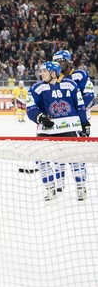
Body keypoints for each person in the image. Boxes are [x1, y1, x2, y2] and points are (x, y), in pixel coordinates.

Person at [26, 61, 89, 201]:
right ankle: (50, 188)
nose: (41, 73)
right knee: (42, 159)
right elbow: (30, 108)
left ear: (53, 73)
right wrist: (40, 117)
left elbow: (80, 105)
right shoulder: (37, 88)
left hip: (70, 127)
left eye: (45, 71)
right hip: (47, 130)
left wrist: (84, 123)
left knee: (76, 158)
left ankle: (81, 187)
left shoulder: (71, 85)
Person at [52, 50, 94, 195]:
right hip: (61, 122)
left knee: (77, 154)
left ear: (68, 61)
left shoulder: (80, 75)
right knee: (58, 153)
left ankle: (80, 185)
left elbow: (89, 95)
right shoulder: (56, 77)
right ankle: (59, 183)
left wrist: (76, 111)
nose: (57, 65)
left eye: (60, 61)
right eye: (55, 62)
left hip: (79, 120)